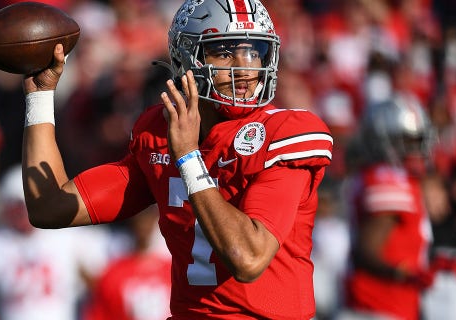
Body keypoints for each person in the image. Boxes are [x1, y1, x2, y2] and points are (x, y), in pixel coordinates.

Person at [21, 0, 333, 319]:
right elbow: (50, 206)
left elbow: (248, 259)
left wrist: (188, 157)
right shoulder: (162, 130)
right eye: (225, 52)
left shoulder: (283, 131)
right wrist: (40, 96)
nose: (246, 67)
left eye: (254, 51)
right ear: (189, 60)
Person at [340, 95, 435, 320]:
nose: (417, 150)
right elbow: (368, 250)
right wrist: (406, 273)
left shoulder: (378, 176)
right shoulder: (389, 179)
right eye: (409, 142)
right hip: (378, 307)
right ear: (383, 140)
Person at [0, 164, 111, 320]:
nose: (21, 211)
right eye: (15, 205)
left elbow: (100, 289)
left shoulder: (69, 237)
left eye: (26, 204)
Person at [83, 205, 172, 320]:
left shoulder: (173, 270)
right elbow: (101, 313)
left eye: (147, 218)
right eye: (139, 219)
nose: (143, 225)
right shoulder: (115, 273)